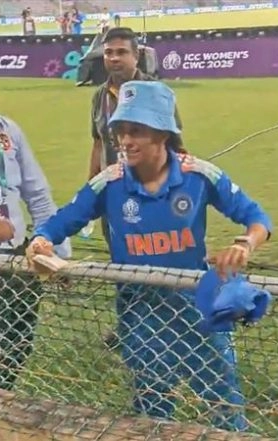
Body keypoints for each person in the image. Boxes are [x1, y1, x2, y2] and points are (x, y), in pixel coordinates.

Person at [26, 81, 271, 430]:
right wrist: (41, 241)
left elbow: (257, 217)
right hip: (141, 315)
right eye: (121, 132)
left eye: (136, 131)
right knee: (152, 412)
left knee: (224, 403)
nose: (125, 141)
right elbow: (63, 220)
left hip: (197, 310)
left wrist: (244, 245)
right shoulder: (108, 183)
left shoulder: (198, 175)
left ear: (162, 133)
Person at [0, 47, 72, 390]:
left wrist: (59, 254)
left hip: (19, 262)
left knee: (18, 345)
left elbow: (37, 194)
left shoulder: (9, 131)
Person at [90, 27, 183, 349]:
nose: (113, 58)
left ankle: (168, 327)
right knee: (121, 261)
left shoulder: (155, 91)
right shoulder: (99, 95)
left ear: (136, 55)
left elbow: (177, 144)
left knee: (159, 258)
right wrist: (93, 187)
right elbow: (98, 142)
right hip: (114, 194)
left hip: (151, 193)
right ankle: (129, 327)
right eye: (108, 52)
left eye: (120, 52)